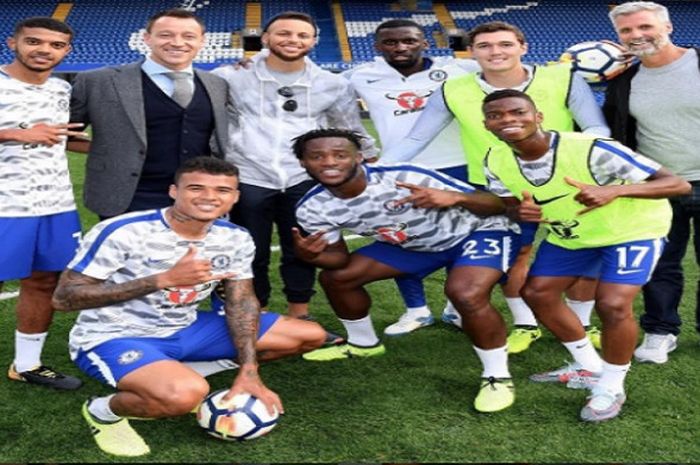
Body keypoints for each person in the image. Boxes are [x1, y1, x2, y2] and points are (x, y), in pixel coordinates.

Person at [51, 157, 326, 457]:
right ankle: (102, 411)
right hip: (115, 335)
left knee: (308, 335)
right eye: (196, 188)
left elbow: (241, 301)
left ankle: (183, 369)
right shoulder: (123, 231)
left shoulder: (234, 237)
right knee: (184, 395)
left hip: (185, 327)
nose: (209, 197)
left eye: (222, 190)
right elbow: (64, 298)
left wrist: (249, 369)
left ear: (235, 197)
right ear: (174, 191)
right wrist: (162, 280)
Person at [382, 21, 609, 354]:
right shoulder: (453, 89)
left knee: (584, 252)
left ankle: (582, 323)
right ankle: (526, 324)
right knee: (516, 256)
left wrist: (596, 168)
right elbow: (417, 138)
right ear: (472, 53)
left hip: (568, 182)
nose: (495, 52)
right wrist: (378, 171)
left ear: (523, 47)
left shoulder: (563, 77)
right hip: (500, 189)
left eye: (504, 44)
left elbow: (594, 126)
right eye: (485, 46)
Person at [482, 89, 690, 422]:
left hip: (631, 230)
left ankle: (612, 386)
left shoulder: (591, 148)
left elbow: (677, 184)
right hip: (573, 235)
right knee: (537, 293)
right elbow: (512, 205)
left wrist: (614, 190)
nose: (508, 120)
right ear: (486, 124)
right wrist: (521, 212)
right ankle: (589, 367)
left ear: (538, 117)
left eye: (518, 112)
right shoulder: (495, 159)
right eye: (496, 116)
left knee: (613, 304)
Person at [292, 128, 521, 414]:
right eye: (317, 156)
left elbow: (500, 205)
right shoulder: (312, 208)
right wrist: (309, 256)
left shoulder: (405, 175)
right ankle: (364, 344)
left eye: (340, 155)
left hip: (474, 232)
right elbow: (337, 259)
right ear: (303, 163)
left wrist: (454, 198)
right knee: (337, 278)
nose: (329, 162)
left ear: (359, 158)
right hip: (412, 245)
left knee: (465, 294)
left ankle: (496, 376)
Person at [212, 12, 378, 325]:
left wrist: (370, 157)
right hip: (248, 175)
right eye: (284, 33)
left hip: (304, 177)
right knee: (251, 250)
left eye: (303, 35)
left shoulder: (332, 84)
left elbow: (348, 127)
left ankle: (299, 312)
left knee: (302, 248)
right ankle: (256, 311)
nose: (293, 40)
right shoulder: (229, 76)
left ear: (314, 41)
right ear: (265, 38)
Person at [343, 19, 480, 336]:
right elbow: (320, 89)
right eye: (391, 43)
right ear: (378, 47)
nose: (400, 47)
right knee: (402, 234)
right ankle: (416, 310)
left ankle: (455, 307)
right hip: (398, 170)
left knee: (460, 237)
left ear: (424, 42)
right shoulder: (361, 75)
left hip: (458, 165)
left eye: (408, 41)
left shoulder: (462, 69)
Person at [604, 1, 700, 364]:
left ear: (669, 26)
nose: (636, 36)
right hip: (657, 186)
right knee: (660, 263)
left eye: (644, 27)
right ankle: (661, 331)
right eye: (626, 31)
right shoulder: (624, 80)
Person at [69, 9, 229, 218]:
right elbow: (63, 134)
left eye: (188, 36)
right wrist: (111, 150)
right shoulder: (98, 81)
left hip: (197, 195)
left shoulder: (217, 84)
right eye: (166, 35)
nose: (177, 43)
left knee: (193, 251)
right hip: (127, 195)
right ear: (147, 38)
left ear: (202, 41)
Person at [0, 17, 84, 390]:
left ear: (66, 51)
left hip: (54, 203)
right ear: (12, 43)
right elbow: (28, 134)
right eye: (34, 41)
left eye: (55, 45)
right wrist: (15, 133)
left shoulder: (59, 90)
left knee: (44, 280)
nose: (44, 50)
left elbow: (59, 140)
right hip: (5, 206)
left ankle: (27, 364)